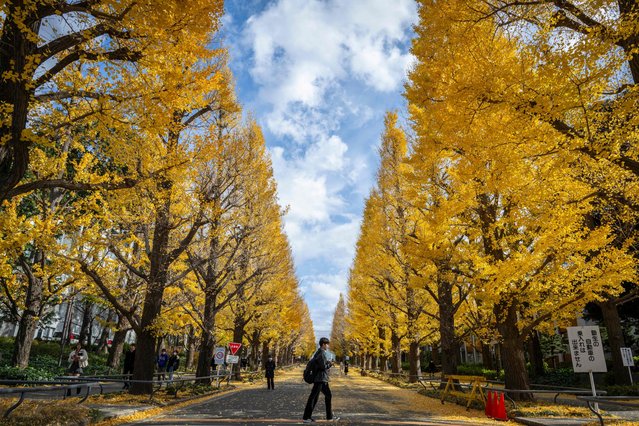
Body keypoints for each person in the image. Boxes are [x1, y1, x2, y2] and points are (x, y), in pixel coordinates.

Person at [303, 337, 339, 423]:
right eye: (327, 344)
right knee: (313, 397)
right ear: (323, 344)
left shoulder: (318, 353)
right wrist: (330, 364)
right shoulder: (321, 353)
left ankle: (329, 417)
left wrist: (327, 363)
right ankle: (306, 417)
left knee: (325, 396)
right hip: (320, 379)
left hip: (321, 379)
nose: (328, 346)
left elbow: (320, 365)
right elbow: (323, 367)